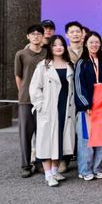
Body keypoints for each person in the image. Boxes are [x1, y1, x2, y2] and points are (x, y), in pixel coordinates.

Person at [29, 35, 76, 187]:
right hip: (48, 109)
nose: (58, 47)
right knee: (46, 142)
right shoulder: (43, 65)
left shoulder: (70, 65)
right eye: (54, 45)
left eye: (61, 44)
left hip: (65, 107)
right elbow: (34, 88)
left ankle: (55, 170)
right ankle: (48, 174)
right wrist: (40, 105)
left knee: (60, 140)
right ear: (50, 47)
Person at [73, 31, 102, 181]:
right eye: (91, 42)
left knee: (101, 139)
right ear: (86, 44)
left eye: (97, 42)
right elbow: (78, 86)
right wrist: (86, 104)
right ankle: (85, 170)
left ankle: (97, 168)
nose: (94, 45)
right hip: (87, 108)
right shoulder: (81, 63)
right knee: (87, 140)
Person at [14, 24, 47, 178]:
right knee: (25, 134)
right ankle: (26, 165)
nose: (36, 36)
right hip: (26, 100)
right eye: (33, 34)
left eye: (39, 34)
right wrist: (23, 92)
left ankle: (40, 162)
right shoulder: (21, 54)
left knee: (42, 133)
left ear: (43, 36)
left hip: (44, 99)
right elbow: (18, 76)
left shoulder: (47, 53)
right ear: (28, 36)